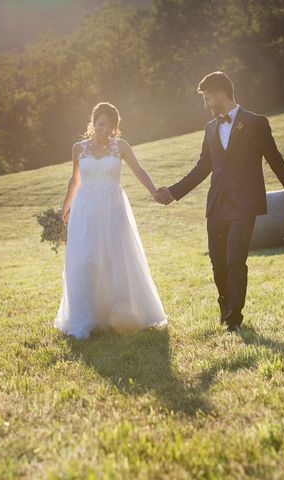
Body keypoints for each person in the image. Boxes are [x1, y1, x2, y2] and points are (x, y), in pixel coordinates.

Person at [155, 71, 284, 332]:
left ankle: (234, 319)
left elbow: (275, 160)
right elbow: (203, 167)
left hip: (244, 203)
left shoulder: (256, 123)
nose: (205, 105)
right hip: (217, 204)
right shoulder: (210, 128)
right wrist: (173, 192)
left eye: (207, 98)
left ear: (221, 95)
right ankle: (225, 309)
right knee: (218, 261)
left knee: (236, 259)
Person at [55, 102, 167, 339]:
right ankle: (84, 319)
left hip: (113, 209)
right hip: (85, 210)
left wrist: (154, 191)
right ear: (93, 122)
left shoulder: (121, 147)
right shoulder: (79, 148)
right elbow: (74, 180)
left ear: (115, 128)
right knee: (85, 260)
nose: (105, 130)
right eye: (101, 124)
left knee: (115, 259)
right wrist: (65, 209)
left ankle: (122, 315)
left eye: (110, 126)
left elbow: (139, 170)